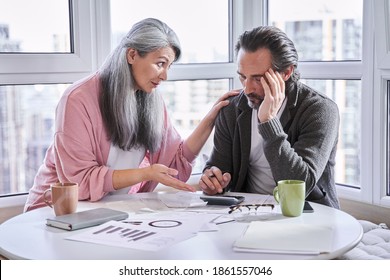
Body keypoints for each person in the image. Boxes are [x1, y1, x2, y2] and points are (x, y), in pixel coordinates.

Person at [24, 18, 238, 212]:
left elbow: (175, 160)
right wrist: (145, 173)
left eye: (169, 66)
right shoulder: (78, 100)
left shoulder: (151, 100)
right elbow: (79, 182)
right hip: (55, 212)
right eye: (160, 64)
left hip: (104, 213)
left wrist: (211, 118)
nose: (165, 75)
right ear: (132, 54)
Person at [199, 26, 340, 208]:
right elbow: (219, 166)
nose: (247, 89)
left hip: (308, 214)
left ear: (286, 72)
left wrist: (268, 122)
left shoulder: (320, 110)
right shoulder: (232, 109)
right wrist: (212, 181)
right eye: (243, 77)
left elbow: (300, 186)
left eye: (258, 79)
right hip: (247, 212)